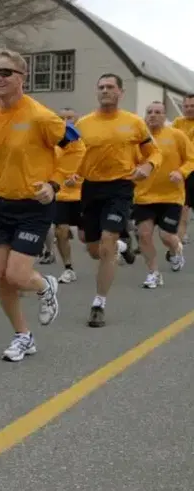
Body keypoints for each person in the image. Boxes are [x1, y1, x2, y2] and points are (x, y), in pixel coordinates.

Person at [0, 49, 85, 362]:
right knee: (0, 275)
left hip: (33, 205)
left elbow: (76, 147)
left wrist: (54, 184)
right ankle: (23, 337)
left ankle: (45, 286)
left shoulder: (41, 116)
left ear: (22, 78)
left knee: (17, 275)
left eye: (6, 72)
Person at [74, 74, 162, 327]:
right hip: (91, 188)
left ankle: (98, 304)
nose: (105, 90)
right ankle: (124, 248)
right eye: (101, 87)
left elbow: (153, 152)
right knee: (92, 248)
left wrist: (148, 166)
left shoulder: (134, 123)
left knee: (107, 242)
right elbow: (73, 154)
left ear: (121, 92)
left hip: (120, 187)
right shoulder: (84, 123)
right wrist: (70, 175)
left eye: (110, 87)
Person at [133, 101, 194, 288]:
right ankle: (154, 273)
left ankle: (177, 251)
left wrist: (180, 173)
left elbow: (191, 159)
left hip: (170, 196)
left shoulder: (176, 135)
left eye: (158, 112)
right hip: (143, 195)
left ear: (164, 115)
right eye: (149, 111)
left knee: (167, 236)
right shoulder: (137, 138)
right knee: (144, 235)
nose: (153, 115)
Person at [53, 107, 82, 284]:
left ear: (77, 119)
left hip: (83, 193)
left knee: (89, 238)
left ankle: (120, 246)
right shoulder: (54, 144)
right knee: (60, 231)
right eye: (62, 118)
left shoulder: (86, 143)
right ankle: (68, 268)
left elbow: (93, 166)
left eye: (69, 117)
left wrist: (78, 178)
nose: (65, 121)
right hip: (61, 194)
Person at [172, 93, 194, 243]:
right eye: (186, 106)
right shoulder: (178, 122)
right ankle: (181, 235)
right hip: (184, 169)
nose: (189, 109)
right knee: (184, 204)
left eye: (192, 106)